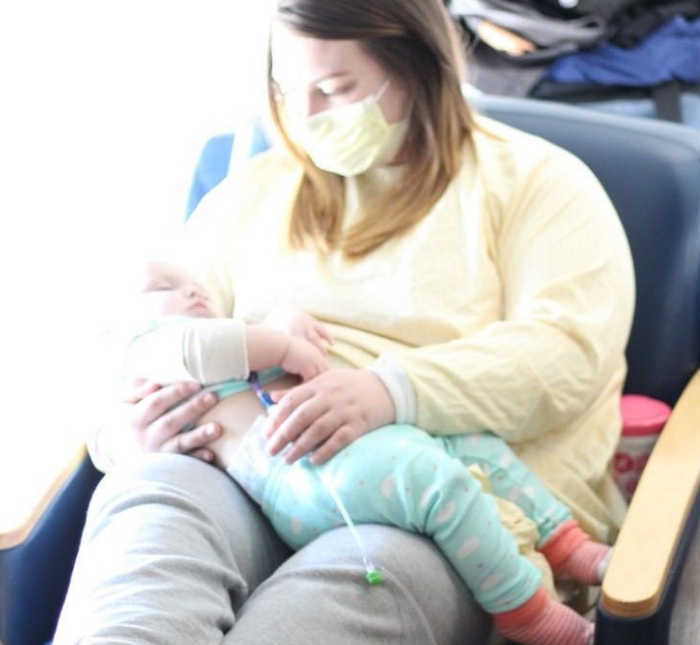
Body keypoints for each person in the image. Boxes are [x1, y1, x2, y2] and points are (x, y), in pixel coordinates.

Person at [54, 1, 635, 644]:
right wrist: (124, 433)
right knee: (153, 501)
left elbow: (570, 352)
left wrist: (393, 392)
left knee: (358, 580)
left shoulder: (538, 185)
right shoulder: (252, 195)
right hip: (249, 477)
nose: (302, 118)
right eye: (286, 89)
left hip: (443, 506)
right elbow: (139, 330)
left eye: (333, 89)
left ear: (417, 69)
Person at [122, 258, 614, 644]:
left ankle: (566, 543)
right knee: (433, 482)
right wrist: (129, 442)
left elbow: (241, 347)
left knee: (476, 448)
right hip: (301, 475)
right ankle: (525, 612)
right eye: (163, 288)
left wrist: (287, 327)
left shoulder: (227, 338)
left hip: (366, 438)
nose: (193, 289)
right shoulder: (150, 347)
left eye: (192, 283)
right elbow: (203, 349)